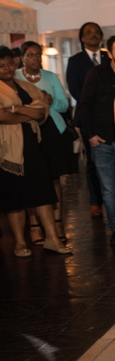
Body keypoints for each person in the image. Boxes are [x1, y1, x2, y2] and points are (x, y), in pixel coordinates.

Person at [0, 46, 70, 257]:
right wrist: (28, 113)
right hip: (8, 151)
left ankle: (52, 239)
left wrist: (16, 109)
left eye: (10, 63)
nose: (7, 68)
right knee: (15, 200)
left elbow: (42, 111)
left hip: (33, 146)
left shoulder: (25, 86)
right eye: (2, 65)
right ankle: (20, 243)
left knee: (42, 194)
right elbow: (1, 117)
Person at [16, 41, 73, 244]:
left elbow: (64, 104)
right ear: (22, 58)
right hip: (26, 130)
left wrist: (51, 101)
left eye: (38, 54)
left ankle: (57, 223)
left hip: (51, 128)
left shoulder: (50, 77)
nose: (35, 58)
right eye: (30, 55)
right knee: (31, 178)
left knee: (54, 177)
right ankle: (33, 225)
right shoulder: (15, 77)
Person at [81, 35, 115, 245]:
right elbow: (84, 105)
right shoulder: (96, 74)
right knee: (108, 189)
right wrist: (90, 135)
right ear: (109, 54)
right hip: (102, 140)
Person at [66, 21, 107, 219]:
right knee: (92, 162)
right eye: (88, 32)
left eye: (96, 32)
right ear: (82, 38)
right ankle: (95, 202)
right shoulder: (75, 61)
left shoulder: (109, 57)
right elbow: (75, 89)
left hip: (111, 117)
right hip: (87, 118)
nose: (93, 35)